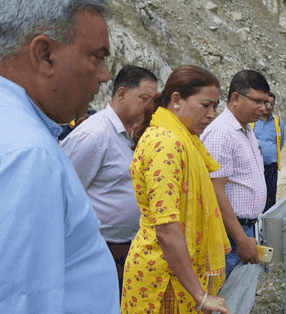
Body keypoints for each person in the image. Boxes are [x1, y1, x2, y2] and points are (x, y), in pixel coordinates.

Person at [0, 0, 120, 312]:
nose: (105, 75)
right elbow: (22, 302)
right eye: (97, 57)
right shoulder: (29, 154)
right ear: (45, 54)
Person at [121, 65, 230, 314]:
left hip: (176, 272)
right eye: (206, 105)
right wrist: (200, 296)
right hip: (162, 276)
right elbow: (167, 229)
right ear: (176, 100)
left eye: (215, 106)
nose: (212, 114)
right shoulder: (165, 143)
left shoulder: (184, 139)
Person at [61, 65, 158, 295]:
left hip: (127, 247)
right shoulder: (94, 135)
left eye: (153, 100)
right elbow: (64, 192)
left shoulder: (135, 133)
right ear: (122, 94)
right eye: (144, 98)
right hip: (97, 249)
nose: (149, 106)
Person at [200, 70, 271, 278]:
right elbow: (215, 191)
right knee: (226, 295)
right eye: (257, 101)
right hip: (230, 235)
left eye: (264, 102)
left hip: (244, 231)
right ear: (235, 98)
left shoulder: (247, 130)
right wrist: (240, 239)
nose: (262, 108)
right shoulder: (221, 132)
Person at [251, 92, 285, 213]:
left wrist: (270, 154)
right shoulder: (252, 121)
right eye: (266, 103)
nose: (268, 106)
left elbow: (280, 143)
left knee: (270, 193)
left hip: (271, 165)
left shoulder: (278, 123)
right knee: (255, 193)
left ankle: (268, 219)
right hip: (254, 166)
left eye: (271, 104)